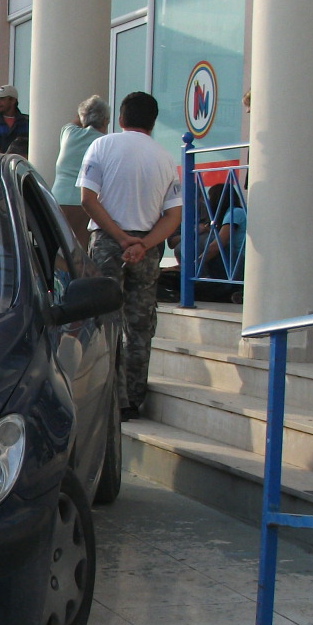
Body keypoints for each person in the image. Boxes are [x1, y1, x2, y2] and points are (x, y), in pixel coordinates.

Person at [78, 91, 182, 420]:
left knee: (106, 321)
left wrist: (121, 237)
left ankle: (112, 394)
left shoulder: (101, 146)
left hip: (109, 241)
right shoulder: (165, 158)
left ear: (120, 119)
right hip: (148, 249)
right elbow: (173, 216)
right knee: (140, 323)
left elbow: (87, 199)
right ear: (152, 123)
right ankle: (135, 397)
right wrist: (143, 244)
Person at [52, 95, 110, 248]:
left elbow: (77, 118)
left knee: (59, 248)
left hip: (58, 198)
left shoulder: (68, 133)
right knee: (80, 250)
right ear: (105, 121)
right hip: (83, 200)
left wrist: (86, 112)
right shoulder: (104, 143)